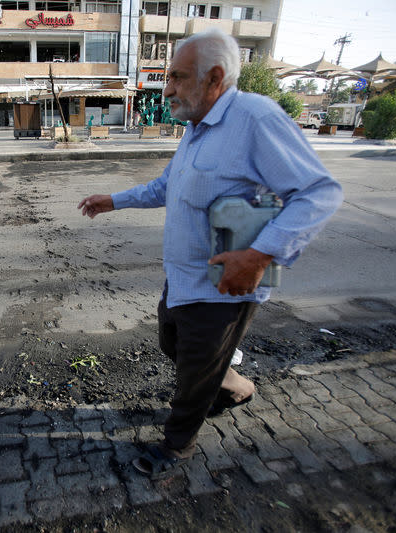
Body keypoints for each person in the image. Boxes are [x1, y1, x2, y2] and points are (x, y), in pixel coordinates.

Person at [77, 29, 343, 479]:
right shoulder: (197, 128)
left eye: (177, 77)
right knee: (173, 345)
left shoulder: (255, 119)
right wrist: (114, 199)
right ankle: (236, 386)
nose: (168, 88)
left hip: (225, 286)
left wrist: (259, 256)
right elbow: (168, 186)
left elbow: (318, 193)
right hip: (182, 279)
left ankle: (176, 447)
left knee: (194, 377)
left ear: (214, 77)